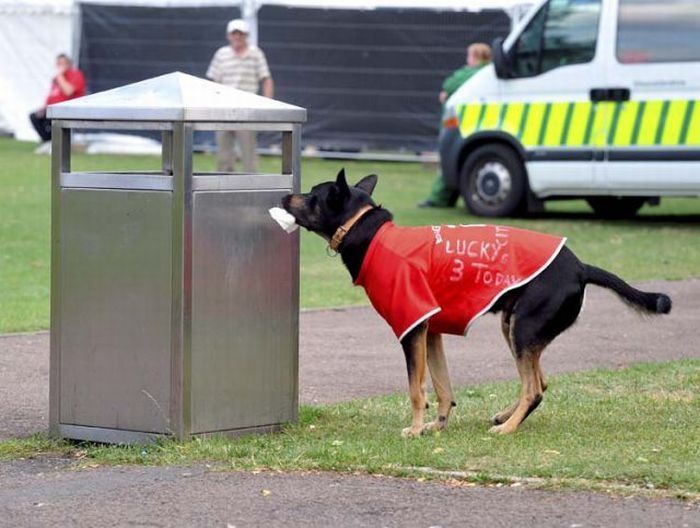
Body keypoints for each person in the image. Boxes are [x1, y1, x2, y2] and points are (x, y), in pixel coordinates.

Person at [418, 43, 492, 208]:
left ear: (475, 57)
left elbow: (450, 84)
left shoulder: (471, 73)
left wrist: (447, 93)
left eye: (469, 56)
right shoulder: (489, 72)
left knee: (448, 159)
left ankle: (439, 198)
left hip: (462, 123)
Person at [206, 19, 274, 173]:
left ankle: (251, 187)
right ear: (228, 36)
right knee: (223, 155)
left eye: (240, 34)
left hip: (247, 110)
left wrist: (268, 104)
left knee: (249, 154)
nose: (237, 37)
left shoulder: (255, 53)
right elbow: (213, 82)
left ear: (246, 36)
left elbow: (266, 78)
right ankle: (223, 187)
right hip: (223, 109)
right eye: (234, 33)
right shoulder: (221, 54)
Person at [29, 53, 86, 143]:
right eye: (59, 64)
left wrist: (60, 76)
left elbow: (69, 91)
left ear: (68, 64)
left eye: (63, 63)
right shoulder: (56, 78)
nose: (61, 66)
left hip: (68, 109)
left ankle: (54, 142)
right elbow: (52, 95)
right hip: (52, 109)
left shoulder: (75, 74)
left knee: (50, 120)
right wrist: (44, 107)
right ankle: (48, 141)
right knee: (34, 117)